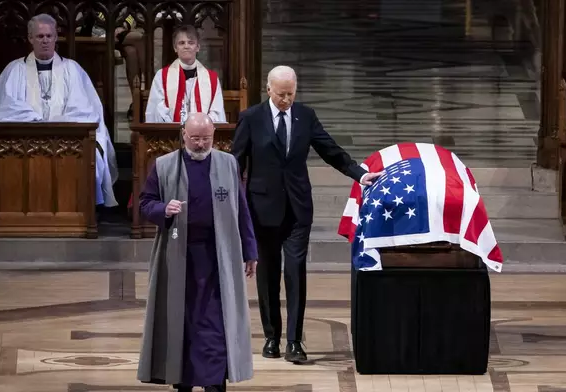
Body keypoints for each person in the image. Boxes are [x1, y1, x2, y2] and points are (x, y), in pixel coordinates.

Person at [231, 65, 383, 363]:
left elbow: (329, 149)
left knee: (295, 271)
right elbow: (236, 162)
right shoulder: (251, 118)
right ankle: (272, 337)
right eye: (281, 94)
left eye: (291, 93)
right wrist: (232, 202)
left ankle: (294, 342)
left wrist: (358, 173)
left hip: (298, 208)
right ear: (268, 89)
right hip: (262, 209)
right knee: (268, 273)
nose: (287, 99)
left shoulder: (306, 116)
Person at [136, 112, 257, 392]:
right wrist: (162, 209)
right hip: (180, 260)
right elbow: (145, 203)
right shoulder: (164, 165)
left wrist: (250, 251)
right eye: (195, 139)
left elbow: (242, 211)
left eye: (206, 138)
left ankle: (216, 385)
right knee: (183, 325)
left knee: (216, 326)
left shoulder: (228, 163)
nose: (201, 144)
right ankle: (184, 384)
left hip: (219, 260)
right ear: (183, 135)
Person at [0, 13, 118, 208]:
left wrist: (56, 123)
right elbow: (7, 108)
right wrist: (37, 121)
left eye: (49, 36)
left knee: (91, 155)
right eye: (40, 37)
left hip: (67, 139)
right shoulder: (15, 70)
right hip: (25, 138)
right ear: (30, 39)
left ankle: (78, 211)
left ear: (56, 38)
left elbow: (84, 110)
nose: (45, 41)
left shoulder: (72, 69)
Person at [145, 24, 226, 123]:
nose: (186, 46)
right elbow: (157, 110)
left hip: (201, 135)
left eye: (191, 43)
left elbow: (216, 112)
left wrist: (199, 126)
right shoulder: (161, 76)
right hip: (171, 135)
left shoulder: (211, 78)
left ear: (198, 47)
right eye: (181, 43)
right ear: (175, 48)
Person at [76, 9, 146, 121]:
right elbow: (88, 14)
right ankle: (146, 94)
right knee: (139, 39)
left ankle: (136, 102)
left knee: (131, 51)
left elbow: (131, 12)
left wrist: (124, 26)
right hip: (97, 31)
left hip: (117, 31)